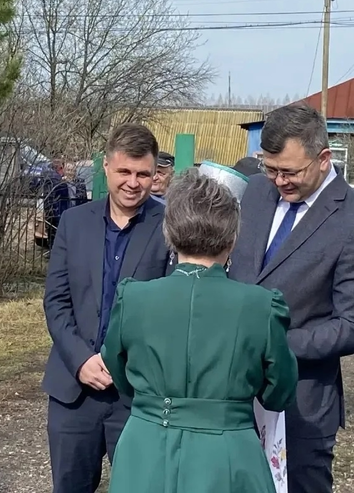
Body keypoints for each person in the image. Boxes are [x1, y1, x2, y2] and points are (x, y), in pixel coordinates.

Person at [228, 103, 354, 493]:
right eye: (270, 168)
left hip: (300, 404)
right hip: (231, 394)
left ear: (323, 159)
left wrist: (274, 345)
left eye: (289, 171)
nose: (279, 181)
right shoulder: (255, 193)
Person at [101, 169, 298, 492]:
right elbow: (280, 393)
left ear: (169, 232)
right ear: (233, 238)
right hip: (227, 454)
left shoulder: (133, 298)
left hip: (145, 448)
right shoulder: (261, 306)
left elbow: (121, 374)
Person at [42, 123, 171, 493]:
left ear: (154, 174)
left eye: (143, 174)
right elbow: (56, 301)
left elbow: (170, 310)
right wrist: (81, 360)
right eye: (124, 172)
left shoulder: (170, 228)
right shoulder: (74, 222)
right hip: (73, 391)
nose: (133, 183)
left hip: (135, 394)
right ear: (106, 167)